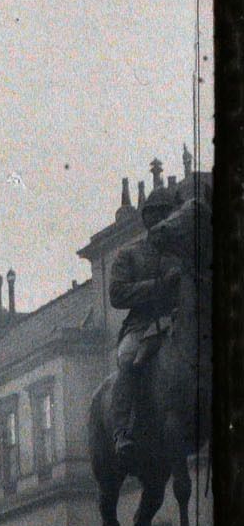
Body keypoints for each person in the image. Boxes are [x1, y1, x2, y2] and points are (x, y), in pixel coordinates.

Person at [108, 183, 186, 466]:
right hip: (141, 327)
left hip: (178, 320)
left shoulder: (182, 254)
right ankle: (121, 431)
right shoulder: (128, 255)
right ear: (148, 219)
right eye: (158, 215)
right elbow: (116, 294)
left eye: (169, 214)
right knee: (127, 360)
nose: (164, 220)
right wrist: (156, 286)